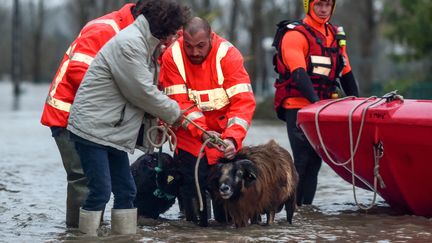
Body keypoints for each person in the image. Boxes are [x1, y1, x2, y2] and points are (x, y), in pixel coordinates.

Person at [66, 0, 191, 236]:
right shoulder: (130, 44)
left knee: (126, 190)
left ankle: (124, 238)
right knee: (100, 191)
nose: (176, 37)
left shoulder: (145, 43)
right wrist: (177, 114)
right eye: (175, 31)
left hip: (111, 130)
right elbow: (142, 92)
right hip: (93, 130)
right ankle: (85, 238)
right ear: (163, 27)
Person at [40, 1, 150, 228]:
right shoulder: (103, 30)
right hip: (69, 117)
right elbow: (78, 75)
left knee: (118, 186)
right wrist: (129, 96)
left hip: (105, 122)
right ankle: (77, 234)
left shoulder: (141, 37)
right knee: (87, 182)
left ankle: (103, 232)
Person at [159, 17, 256, 226]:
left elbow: (243, 104)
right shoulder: (172, 57)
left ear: (211, 38)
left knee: (226, 198)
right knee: (191, 185)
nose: (194, 52)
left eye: (200, 46)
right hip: (190, 135)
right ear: (182, 40)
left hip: (223, 135)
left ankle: (222, 226)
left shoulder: (229, 57)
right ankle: (195, 228)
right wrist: (202, 132)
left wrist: (232, 139)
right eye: (189, 46)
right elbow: (179, 104)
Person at [273, 0, 359, 206]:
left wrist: (358, 103)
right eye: (319, 4)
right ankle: (290, 209)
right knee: (302, 159)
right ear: (308, 5)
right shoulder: (295, 34)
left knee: (315, 161)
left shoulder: (335, 36)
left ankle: (306, 210)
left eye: (328, 5)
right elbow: (298, 73)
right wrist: (316, 104)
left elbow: (346, 72)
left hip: (322, 107)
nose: (323, 9)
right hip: (298, 105)